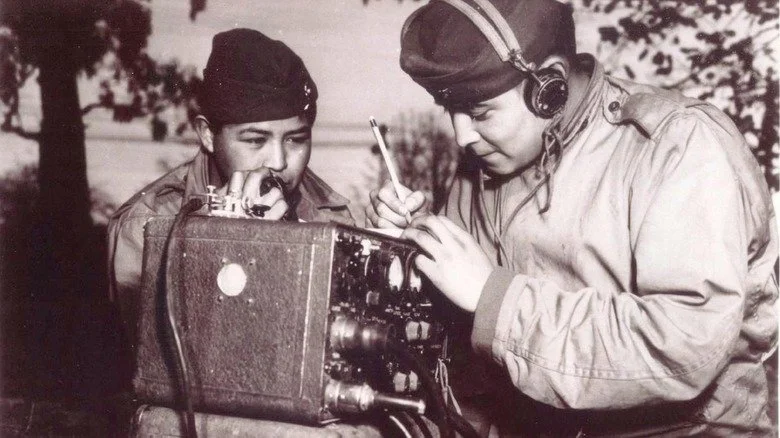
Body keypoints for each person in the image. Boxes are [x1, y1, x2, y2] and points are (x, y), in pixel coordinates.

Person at [367, 0, 778, 435]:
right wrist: (407, 254)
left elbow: (683, 346)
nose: (462, 135)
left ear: (550, 88)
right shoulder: (485, 166)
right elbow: (452, 339)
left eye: (480, 112)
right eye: (450, 112)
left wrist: (498, 301)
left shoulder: (676, 146)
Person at [108, 28, 353, 347]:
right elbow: (156, 368)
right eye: (255, 141)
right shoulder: (147, 226)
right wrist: (216, 247)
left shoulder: (329, 214)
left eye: (296, 140)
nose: (278, 161)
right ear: (208, 135)